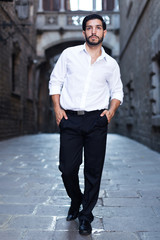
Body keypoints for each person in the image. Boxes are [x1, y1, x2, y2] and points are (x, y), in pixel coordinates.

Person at [49, 14, 123, 235]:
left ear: (104, 32)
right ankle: (76, 199)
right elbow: (56, 80)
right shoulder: (69, 54)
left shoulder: (111, 64)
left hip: (96, 121)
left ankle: (86, 216)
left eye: (98, 28)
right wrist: (57, 108)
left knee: (93, 171)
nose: (93, 31)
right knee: (67, 168)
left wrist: (110, 112)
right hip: (70, 118)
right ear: (83, 33)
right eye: (89, 28)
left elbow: (117, 91)